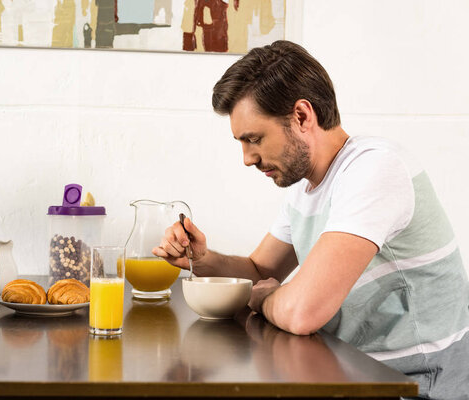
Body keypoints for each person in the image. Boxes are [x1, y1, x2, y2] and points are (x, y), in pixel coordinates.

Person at [152, 40, 469, 398]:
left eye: (254, 139)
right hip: (356, 370)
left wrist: (265, 298)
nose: (247, 158)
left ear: (302, 116)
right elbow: (260, 271)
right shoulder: (305, 187)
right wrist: (203, 259)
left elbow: (302, 313)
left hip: (417, 382)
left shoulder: (374, 169)